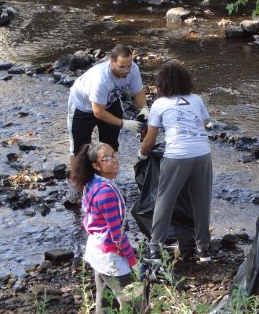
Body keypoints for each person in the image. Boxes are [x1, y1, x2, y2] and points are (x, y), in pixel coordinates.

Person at [139, 61, 213, 264]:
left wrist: (142, 155)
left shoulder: (159, 104)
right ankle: (204, 249)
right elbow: (204, 123)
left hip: (177, 155)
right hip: (202, 153)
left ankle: (154, 249)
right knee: (201, 202)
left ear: (162, 84)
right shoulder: (196, 99)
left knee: (165, 200)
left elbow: (150, 140)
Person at [70, 142, 140, 313]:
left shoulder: (92, 183)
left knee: (106, 305)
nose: (114, 160)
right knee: (135, 304)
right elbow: (117, 234)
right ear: (96, 165)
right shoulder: (106, 192)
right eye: (107, 158)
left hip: (96, 250)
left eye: (114, 154)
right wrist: (133, 261)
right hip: (111, 257)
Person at [67, 44, 149, 163]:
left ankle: (109, 177)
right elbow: (98, 112)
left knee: (111, 144)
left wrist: (144, 108)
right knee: (80, 149)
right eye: (121, 67)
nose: (126, 70)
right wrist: (124, 123)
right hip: (82, 107)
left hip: (111, 102)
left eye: (129, 66)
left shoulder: (133, 69)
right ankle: (78, 180)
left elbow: (138, 91)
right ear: (112, 62)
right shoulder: (101, 80)